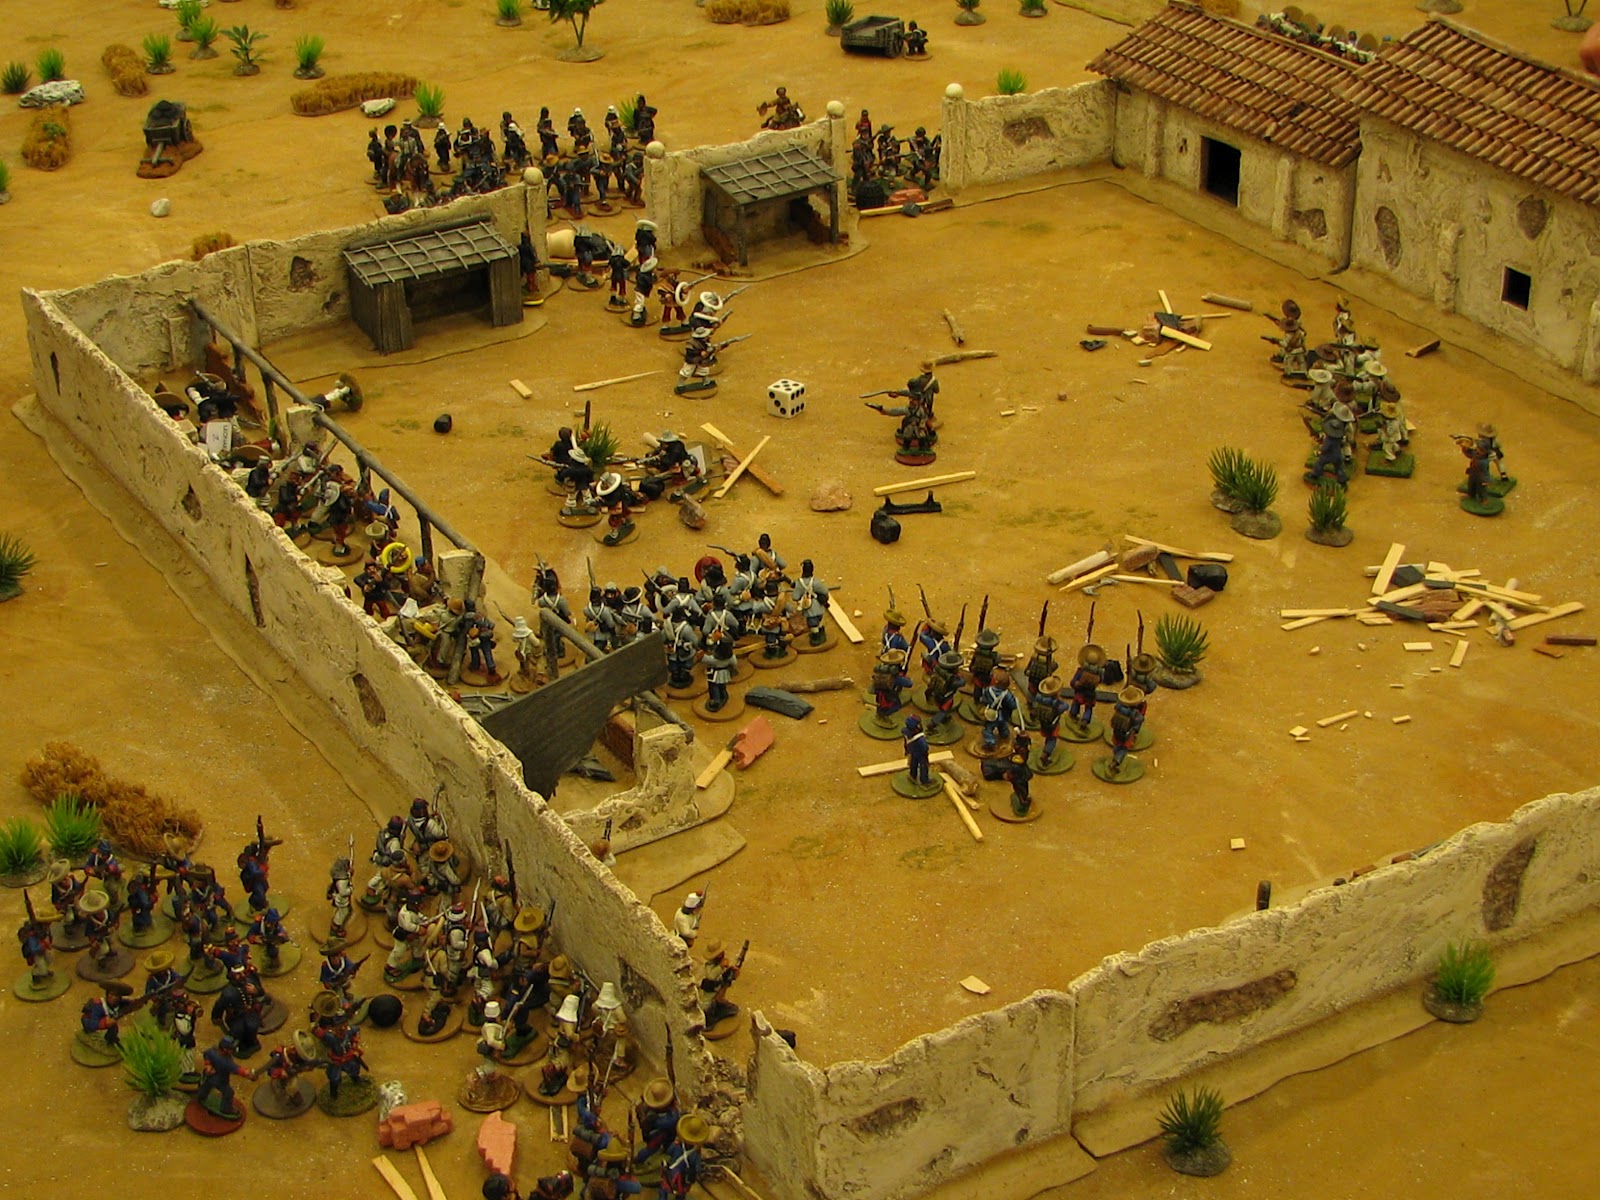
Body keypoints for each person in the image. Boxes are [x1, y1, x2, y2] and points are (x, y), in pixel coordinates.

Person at [197, 1035, 257, 1119]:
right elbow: (235, 1068)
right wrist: (247, 1073)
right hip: (220, 1080)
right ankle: (225, 1109)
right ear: (225, 1049)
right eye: (231, 1048)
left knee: (206, 1086)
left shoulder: (213, 1050)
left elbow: (207, 1054)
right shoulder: (224, 1061)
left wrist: (208, 1064)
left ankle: (201, 1095)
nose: (232, 1050)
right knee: (229, 1093)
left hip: (209, 1076)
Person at [902, 716, 931, 788]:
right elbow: (925, 747)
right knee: (923, 767)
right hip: (921, 754)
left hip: (913, 752)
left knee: (913, 764)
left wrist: (907, 751)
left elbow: (906, 743)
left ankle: (912, 775)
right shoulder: (920, 738)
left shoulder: (906, 732)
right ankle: (924, 781)